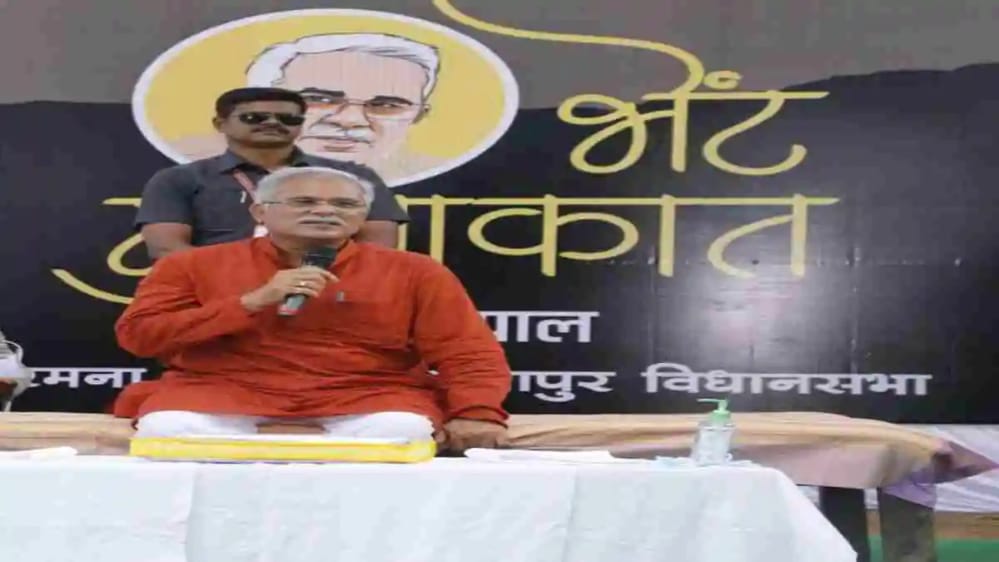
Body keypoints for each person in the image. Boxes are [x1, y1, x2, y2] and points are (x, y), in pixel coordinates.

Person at [114, 166, 511, 451]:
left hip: (365, 395)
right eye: (304, 201)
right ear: (260, 212)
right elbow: (140, 337)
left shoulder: (414, 271)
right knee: (168, 429)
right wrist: (250, 302)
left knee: (402, 432)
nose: (325, 211)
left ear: (362, 216)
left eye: (344, 204)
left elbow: (467, 351)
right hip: (224, 391)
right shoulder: (191, 265)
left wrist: (476, 412)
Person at [137, 87, 409, 259]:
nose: (272, 123)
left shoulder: (352, 176)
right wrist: (239, 282)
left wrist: (314, 279)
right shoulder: (179, 179)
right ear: (220, 124)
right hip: (217, 294)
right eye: (254, 118)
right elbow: (166, 249)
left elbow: (378, 248)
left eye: (288, 119)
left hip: (329, 291)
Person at [172, 34, 446, 183]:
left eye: (387, 106)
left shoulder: (381, 177)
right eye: (321, 99)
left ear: (419, 115)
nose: (350, 120)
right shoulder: (189, 174)